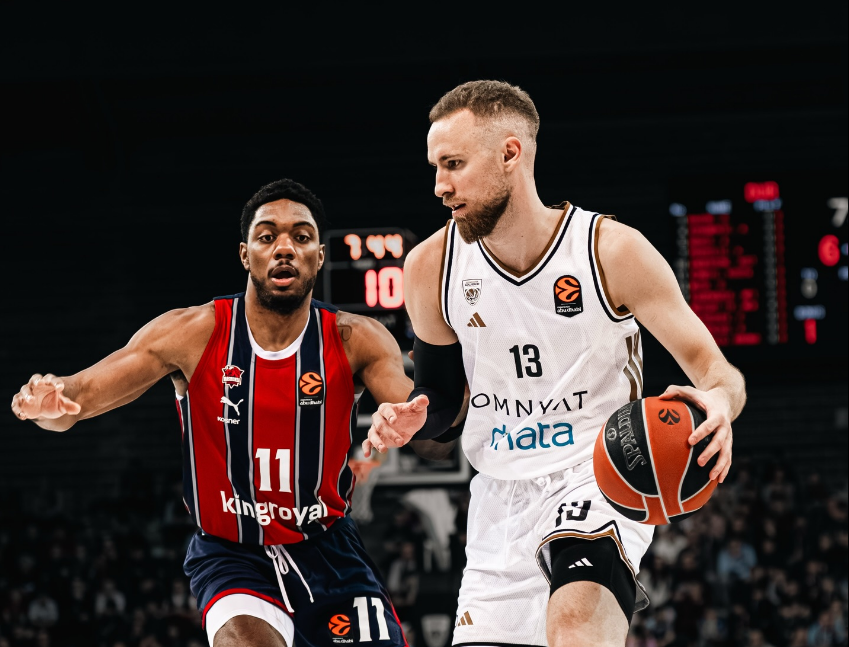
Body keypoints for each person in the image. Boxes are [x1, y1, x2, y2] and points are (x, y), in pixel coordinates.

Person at [364, 81, 747, 647]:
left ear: (510, 153)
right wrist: (417, 417)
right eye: (436, 168)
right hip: (499, 495)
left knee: (574, 627)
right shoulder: (430, 267)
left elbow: (716, 371)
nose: (440, 186)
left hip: (600, 474)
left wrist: (719, 401)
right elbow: (441, 401)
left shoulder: (609, 251)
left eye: (454, 164)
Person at [10, 178, 415, 647]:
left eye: (302, 237)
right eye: (267, 236)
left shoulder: (355, 339)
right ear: (245, 254)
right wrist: (49, 407)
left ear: (319, 256)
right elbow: (78, 399)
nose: (284, 248)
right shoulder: (193, 333)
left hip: (328, 551)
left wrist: (413, 420)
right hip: (232, 555)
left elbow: (421, 421)